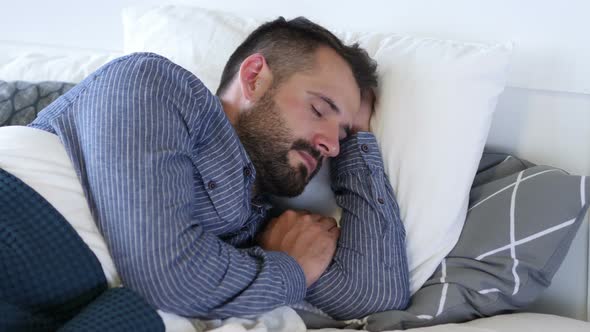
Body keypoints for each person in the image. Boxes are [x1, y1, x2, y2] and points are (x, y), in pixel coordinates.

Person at [29, 17, 409, 320]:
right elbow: (166, 275)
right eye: (320, 109)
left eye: (341, 133)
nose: (331, 144)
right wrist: (289, 267)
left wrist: (359, 143)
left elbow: (371, 296)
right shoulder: (154, 84)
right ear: (254, 77)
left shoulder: (261, 228)